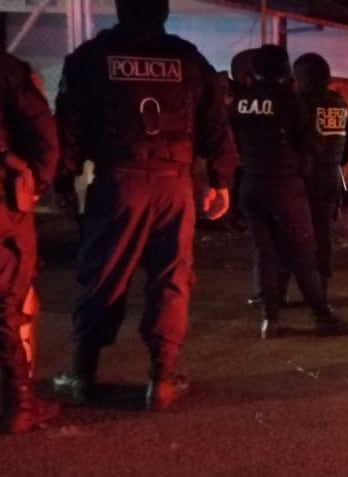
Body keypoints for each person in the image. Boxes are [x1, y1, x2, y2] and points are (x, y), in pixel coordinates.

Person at [51, 0, 237, 411]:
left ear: (120, 10)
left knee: (103, 277)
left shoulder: (91, 57)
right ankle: (163, 381)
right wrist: (220, 180)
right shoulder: (187, 58)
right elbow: (216, 124)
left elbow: (69, 125)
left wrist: (62, 181)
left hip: (120, 184)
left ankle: (82, 375)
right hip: (174, 186)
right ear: (164, 12)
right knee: (171, 280)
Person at [230, 45, 348, 339]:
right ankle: (321, 316)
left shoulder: (241, 102)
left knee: (266, 251)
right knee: (302, 250)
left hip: (250, 184)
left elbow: (233, 139)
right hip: (285, 184)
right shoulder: (291, 102)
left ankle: (270, 320)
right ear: (285, 71)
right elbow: (311, 144)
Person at [0, 52, 61, 434]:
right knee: (7, 301)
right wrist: (33, 185)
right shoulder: (9, 71)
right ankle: (20, 403)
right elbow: (43, 136)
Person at [290, 52, 348, 295]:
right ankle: (321, 289)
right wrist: (338, 163)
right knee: (323, 236)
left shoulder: (300, 103)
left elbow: (297, 141)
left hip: (304, 180)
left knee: (292, 234)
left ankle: (282, 291)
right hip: (331, 178)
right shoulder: (338, 103)